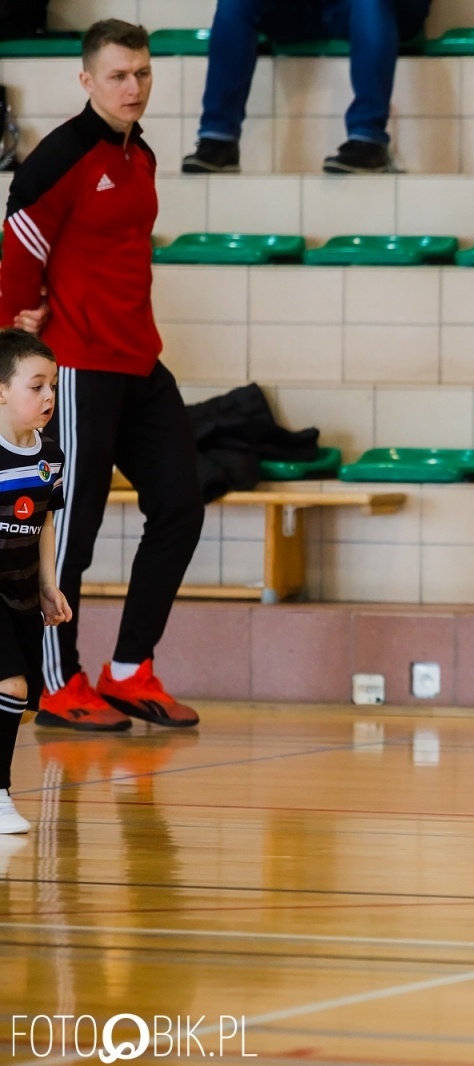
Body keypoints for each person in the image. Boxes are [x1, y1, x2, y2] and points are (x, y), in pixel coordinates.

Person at [0, 20, 204, 732]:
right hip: (79, 367)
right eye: (118, 75)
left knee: (181, 503)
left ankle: (129, 669)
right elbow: (18, 253)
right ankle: (58, 684)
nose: (133, 87)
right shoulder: (58, 160)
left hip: (139, 359)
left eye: (143, 73)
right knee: (69, 531)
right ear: (86, 80)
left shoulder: (139, 153)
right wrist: (16, 352)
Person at [180, 0, 430, 175]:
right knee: (235, 3)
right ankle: (219, 140)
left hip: (381, 8)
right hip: (309, 8)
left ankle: (368, 140)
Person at [0, 331, 72, 834]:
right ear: (1, 391)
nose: (49, 396)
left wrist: (49, 585)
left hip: (23, 592)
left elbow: (44, 522)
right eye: (36, 386)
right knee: (11, 684)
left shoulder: (52, 458)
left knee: (21, 706)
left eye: (54, 385)